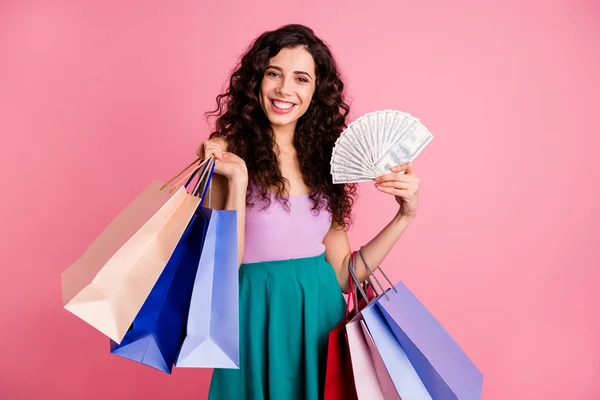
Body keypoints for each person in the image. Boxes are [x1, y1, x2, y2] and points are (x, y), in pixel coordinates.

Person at [196, 24, 421, 400]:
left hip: (321, 320)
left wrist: (404, 216)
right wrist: (236, 180)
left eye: (301, 78)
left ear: (316, 91)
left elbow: (344, 277)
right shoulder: (225, 157)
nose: (285, 89)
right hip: (254, 321)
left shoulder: (325, 161)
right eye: (273, 74)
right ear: (256, 82)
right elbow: (220, 275)